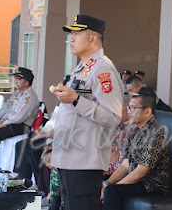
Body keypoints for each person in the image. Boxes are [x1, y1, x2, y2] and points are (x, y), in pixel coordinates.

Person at [49, 15, 124, 210]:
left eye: (76, 34)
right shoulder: (82, 68)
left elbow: (113, 117)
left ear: (93, 39)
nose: (71, 39)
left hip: (84, 161)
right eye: (71, 34)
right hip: (69, 157)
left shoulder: (102, 69)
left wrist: (75, 99)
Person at [101, 93, 172, 210]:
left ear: (147, 112)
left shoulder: (157, 133)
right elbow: (125, 165)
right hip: (137, 183)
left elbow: (141, 172)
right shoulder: (134, 131)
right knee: (100, 186)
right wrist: (107, 183)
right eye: (128, 107)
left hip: (153, 186)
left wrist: (113, 187)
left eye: (133, 108)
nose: (129, 111)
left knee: (111, 192)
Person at [105, 96, 134, 178]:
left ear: (129, 110)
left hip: (122, 176)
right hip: (104, 171)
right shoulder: (113, 126)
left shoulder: (134, 130)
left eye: (116, 109)